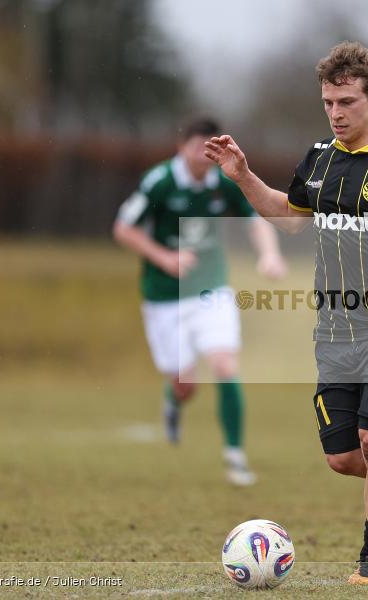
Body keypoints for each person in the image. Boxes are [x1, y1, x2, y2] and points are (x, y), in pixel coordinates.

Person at [204, 41, 368, 586]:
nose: (336, 113)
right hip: (334, 331)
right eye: (328, 102)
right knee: (345, 458)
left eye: (346, 101)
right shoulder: (319, 158)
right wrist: (244, 176)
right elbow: (290, 217)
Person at [113, 117, 287, 486]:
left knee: (224, 364)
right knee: (184, 384)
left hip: (211, 289)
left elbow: (254, 220)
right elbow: (123, 229)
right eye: (199, 147)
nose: (206, 155)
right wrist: (164, 258)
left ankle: (235, 455)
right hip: (164, 297)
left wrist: (269, 254)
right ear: (182, 148)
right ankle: (173, 401)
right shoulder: (159, 182)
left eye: (213, 148)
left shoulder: (223, 182)